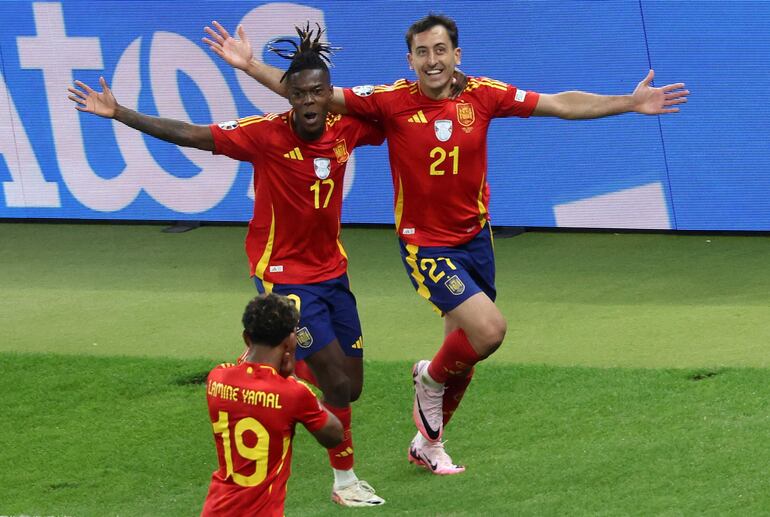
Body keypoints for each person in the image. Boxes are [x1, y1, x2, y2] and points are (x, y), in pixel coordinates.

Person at [205, 14, 690, 476]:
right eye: (422, 52)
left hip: (476, 239)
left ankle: (428, 445)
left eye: (440, 50)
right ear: (410, 60)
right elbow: (311, 95)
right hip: (425, 246)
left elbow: (560, 103)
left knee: (466, 351)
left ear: (457, 54)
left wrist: (628, 102)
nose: (432, 60)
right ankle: (428, 381)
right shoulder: (390, 101)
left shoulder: (485, 95)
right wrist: (249, 66)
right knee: (489, 331)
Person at [68, 23, 386, 506]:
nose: (308, 102)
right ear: (289, 97)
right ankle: (344, 481)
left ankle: (273, 366)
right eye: (298, 94)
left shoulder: (347, 129)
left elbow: (399, 115)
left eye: (317, 92)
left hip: (334, 274)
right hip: (283, 277)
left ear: (329, 95)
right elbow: (193, 135)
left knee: (351, 387)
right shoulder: (265, 135)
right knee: (336, 383)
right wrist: (119, 113)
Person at [201, 293, 343, 516]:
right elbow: (335, 435)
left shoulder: (216, 378)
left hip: (215, 509)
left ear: (247, 338)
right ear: (290, 340)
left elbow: (246, 372)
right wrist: (292, 378)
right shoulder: (293, 393)